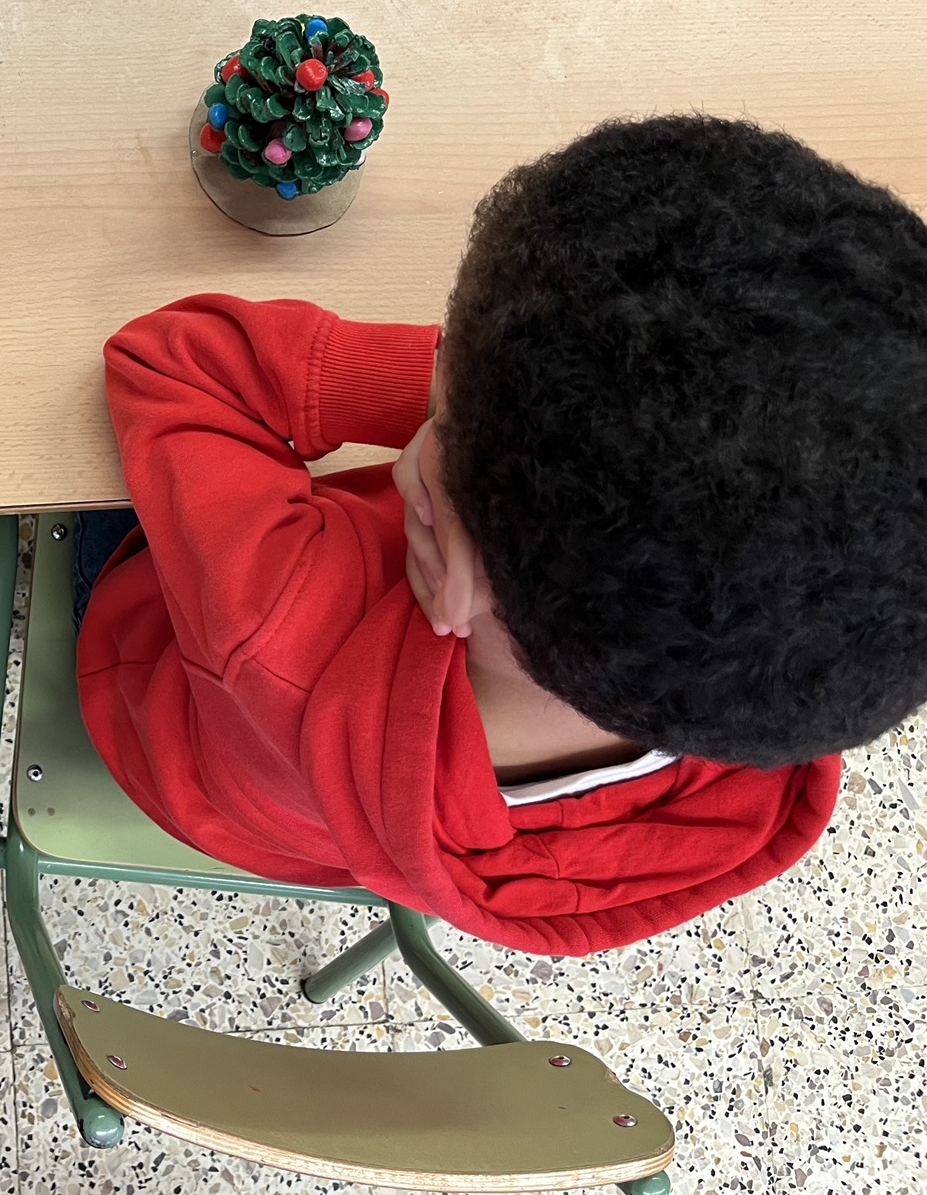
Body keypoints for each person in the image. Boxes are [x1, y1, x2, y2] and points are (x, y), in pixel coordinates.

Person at [77, 116, 927, 955]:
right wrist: (493, 418)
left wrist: (458, 384)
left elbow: (172, 361)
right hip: (353, 834)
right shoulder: (782, 681)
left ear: (458, 573)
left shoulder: (283, 623)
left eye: (447, 407)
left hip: (158, 704)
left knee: (62, 486)